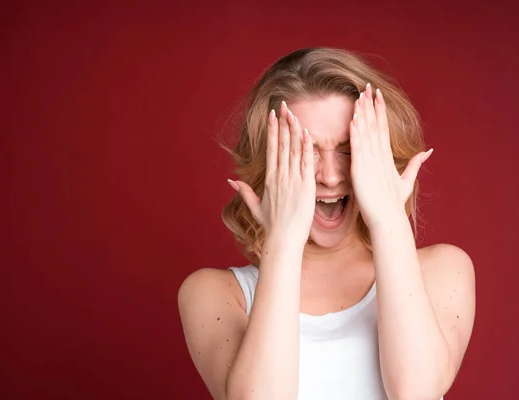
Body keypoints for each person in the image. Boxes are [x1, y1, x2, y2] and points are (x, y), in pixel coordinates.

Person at [177, 47, 476, 400]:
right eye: (304, 152)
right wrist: (284, 241)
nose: (331, 176)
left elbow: (416, 393)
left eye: (349, 149)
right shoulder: (213, 294)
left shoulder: (443, 271)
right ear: (266, 163)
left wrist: (387, 218)